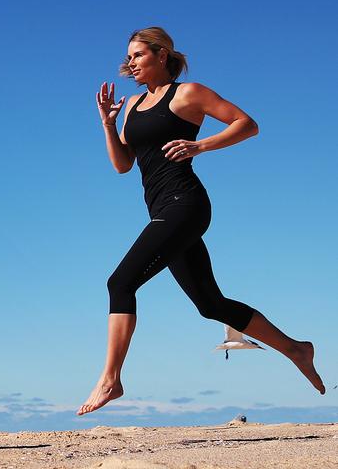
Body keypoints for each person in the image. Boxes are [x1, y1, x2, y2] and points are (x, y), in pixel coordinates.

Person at [77, 27, 325, 416]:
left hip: (185, 204)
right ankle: (297, 348)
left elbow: (247, 123)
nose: (131, 63)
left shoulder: (189, 93)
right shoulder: (132, 106)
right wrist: (109, 124)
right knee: (210, 304)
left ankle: (111, 379)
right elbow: (123, 165)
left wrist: (201, 145)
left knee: (120, 282)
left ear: (162, 55)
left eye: (138, 55)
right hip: (160, 208)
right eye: (128, 57)